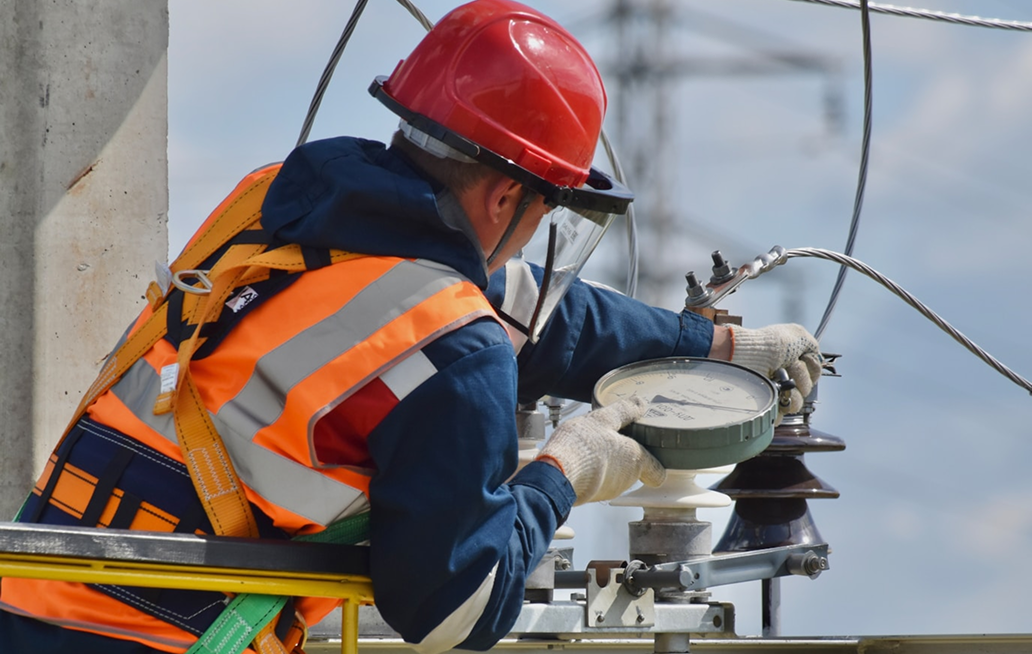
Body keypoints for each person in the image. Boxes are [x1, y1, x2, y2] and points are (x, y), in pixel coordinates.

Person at [0, 1, 822, 653]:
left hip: (29, 588)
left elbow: (540, 314)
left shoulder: (280, 206)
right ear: (506, 200)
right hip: (152, 635)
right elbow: (455, 609)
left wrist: (710, 347)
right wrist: (566, 471)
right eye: (547, 210)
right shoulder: (452, 343)